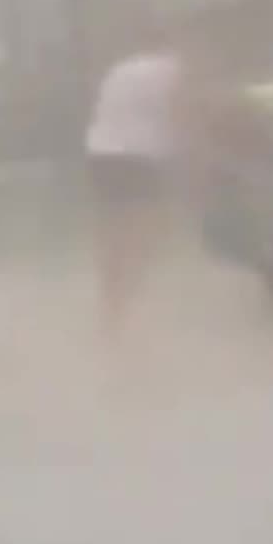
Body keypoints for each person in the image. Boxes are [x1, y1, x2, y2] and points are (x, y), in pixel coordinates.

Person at [85, 38, 184, 345]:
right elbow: (184, 117)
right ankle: (127, 313)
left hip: (100, 154)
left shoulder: (121, 69)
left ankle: (110, 313)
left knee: (114, 235)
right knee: (145, 235)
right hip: (139, 157)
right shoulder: (175, 71)